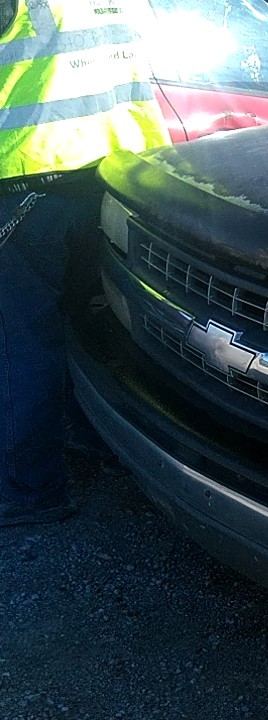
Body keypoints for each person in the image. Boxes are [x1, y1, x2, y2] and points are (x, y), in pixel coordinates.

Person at [0, 0, 170, 526]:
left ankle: (31, 489)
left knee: (22, 342)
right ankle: (91, 439)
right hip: (113, 178)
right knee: (90, 323)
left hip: (29, 184)